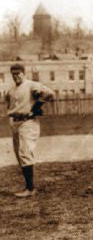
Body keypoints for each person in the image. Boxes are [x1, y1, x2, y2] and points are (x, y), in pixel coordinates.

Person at [5, 63, 54, 197]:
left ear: (23, 73)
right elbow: (9, 105)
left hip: (28, 122)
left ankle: (30, 189)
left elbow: (50, 94)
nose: (16, 76)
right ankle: (28, 186)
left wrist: (37, 106)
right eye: (13, 74)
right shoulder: (11, 90)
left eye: (18, 73)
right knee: (19, 155)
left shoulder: (31, 85)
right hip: (15, 122)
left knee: (25, 152)